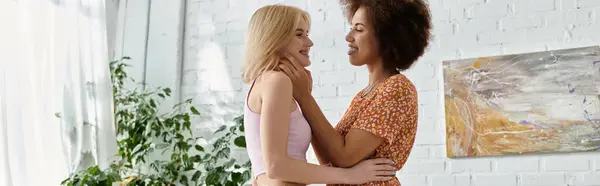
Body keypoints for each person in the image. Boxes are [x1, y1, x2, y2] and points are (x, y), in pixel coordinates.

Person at [278, 0, 432, 185]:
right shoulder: (363, 96)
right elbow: (330, 161)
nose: (348, 37)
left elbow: (344, 156)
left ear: (387, 36)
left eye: (358, 29)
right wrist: (303, 100)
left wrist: (305, 97)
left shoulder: (397, 89)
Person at [241, 4, 397, 186]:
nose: (309, 43)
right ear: (274, 37)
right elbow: (276, 166)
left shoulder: (262, 82)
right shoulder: (277, 82)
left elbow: (259, 166)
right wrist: (352, 176)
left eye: (307, 34)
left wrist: (305, 96)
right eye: (299, 34)